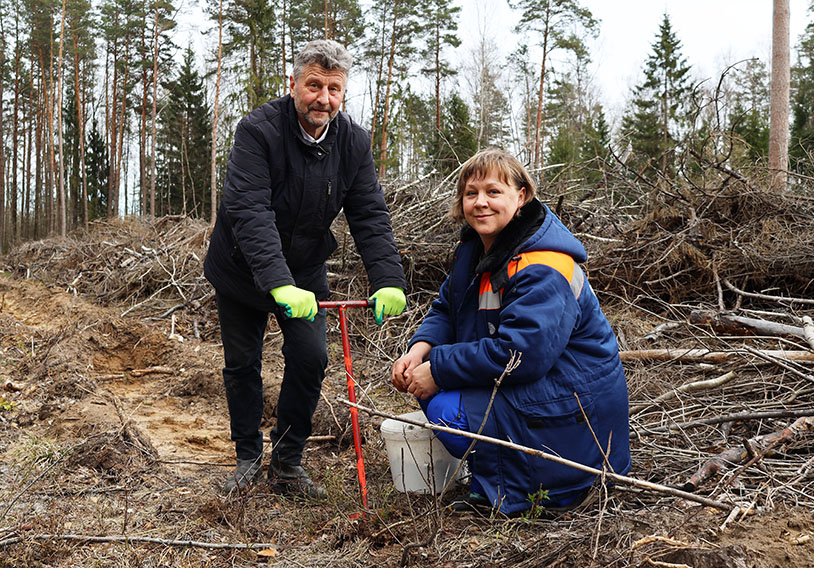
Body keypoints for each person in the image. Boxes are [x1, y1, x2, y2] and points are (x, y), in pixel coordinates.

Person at [205, 39, 407, 498]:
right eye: (314, 85)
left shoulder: (353, 142)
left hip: (306, 270)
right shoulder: (258, 131)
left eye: (334, 89)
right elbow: (249, 211)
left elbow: (369, 214)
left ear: (343, 93)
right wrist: (277, 283)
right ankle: (247, 458)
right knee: (243, 364)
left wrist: (389, 278)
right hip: (241, 268)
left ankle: (288, 464)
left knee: (311, 358)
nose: (323, 98)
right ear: (293, 84)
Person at [391, 149, 630, 515]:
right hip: (541, 388)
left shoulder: (544, 265)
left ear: (521, 197)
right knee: (431, 387)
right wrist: (419, 351)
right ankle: (496, 480)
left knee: (445, 407)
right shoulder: (475, 252)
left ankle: (559, 490)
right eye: (471, 194)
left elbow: (523, 355)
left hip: (575, 402)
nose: (480, 203)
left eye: (493, 192)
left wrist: (437, 369)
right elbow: (447, 308)